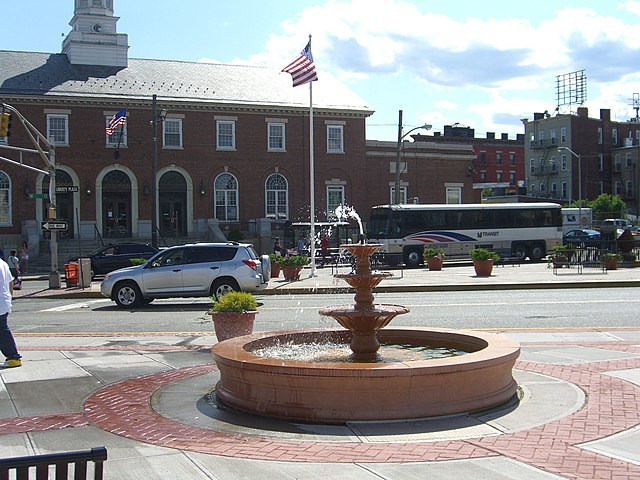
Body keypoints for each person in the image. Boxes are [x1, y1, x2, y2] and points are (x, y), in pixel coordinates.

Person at [0, 257, 21, 368]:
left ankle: (13, 357)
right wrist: (10, 299)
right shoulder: (2, 263)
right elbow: (10, 283)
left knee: (2, 331)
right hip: (4, 302)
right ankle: (13, 357)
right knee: (2, 329)